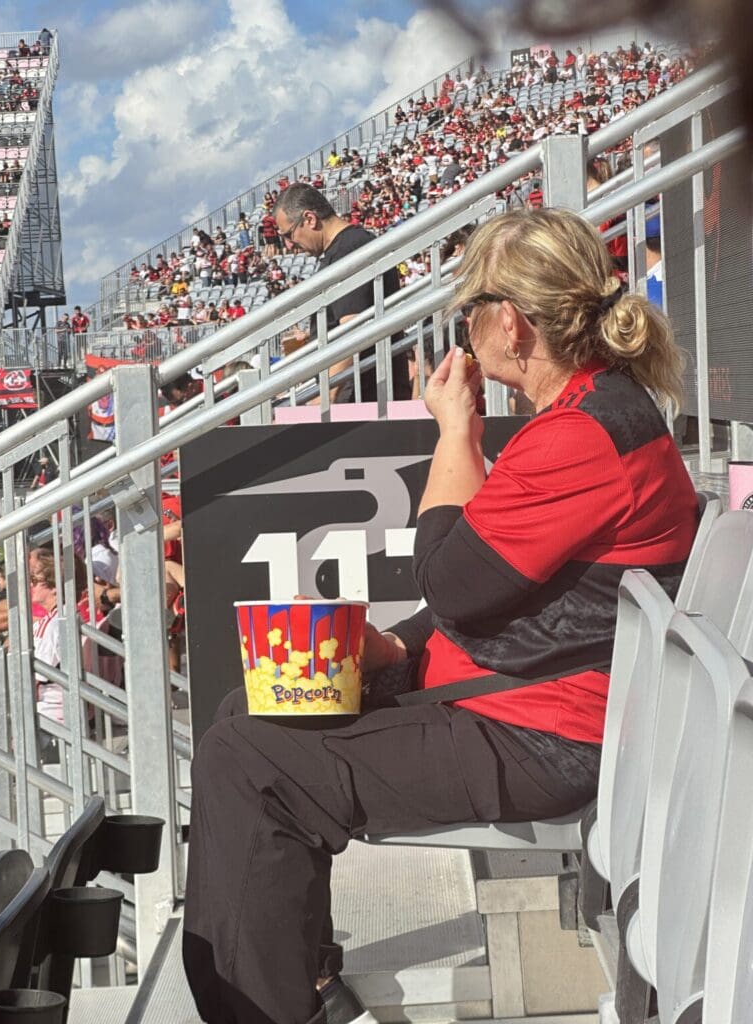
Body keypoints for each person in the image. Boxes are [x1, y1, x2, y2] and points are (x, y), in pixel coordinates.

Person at [182, 207, 699, 1024]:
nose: (464, 329)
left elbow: (451, 579)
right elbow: (492, 587)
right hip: (533, 703)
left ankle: (269, 1008)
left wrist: (455, 431)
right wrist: (398, 646)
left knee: (249, 762)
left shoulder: (580, 435)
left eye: (468, 310)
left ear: (511, 323)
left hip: (544, 733)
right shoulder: (599, 411)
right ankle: (305, 984)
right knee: (242, 716)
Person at [272, 182, 412, 403]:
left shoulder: (349, 249)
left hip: (365, 398)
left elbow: (353, 329)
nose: (289, 245)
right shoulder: (344, 248)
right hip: (362, 394)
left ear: (309, 219)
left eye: (289, 235)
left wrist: (324, 397)